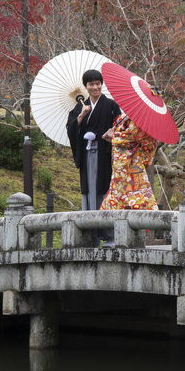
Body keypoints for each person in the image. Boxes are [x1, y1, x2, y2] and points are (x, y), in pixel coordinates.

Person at [66, 69, 121, 245]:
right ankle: (90, 234)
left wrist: (113, 133)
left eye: (98, 83)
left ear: (101, 84)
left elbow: (120, 127)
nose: (95, 87)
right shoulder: (80, 107)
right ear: (86, 86)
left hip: (105, 155)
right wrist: (81, 115)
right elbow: (71, 129)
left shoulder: (111, 105)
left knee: (105, 190)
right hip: (87, 154)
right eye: (91, 84)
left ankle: (110, 235)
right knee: (89, 190)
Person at [99, 114, 159, 213]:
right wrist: (113, 134)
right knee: (120, 190)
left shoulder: (143, 117)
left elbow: (133, 136)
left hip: (132, 161)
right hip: (121, 162)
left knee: (133, 193)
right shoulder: (126, 115)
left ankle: (145, 221)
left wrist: (113, 135)